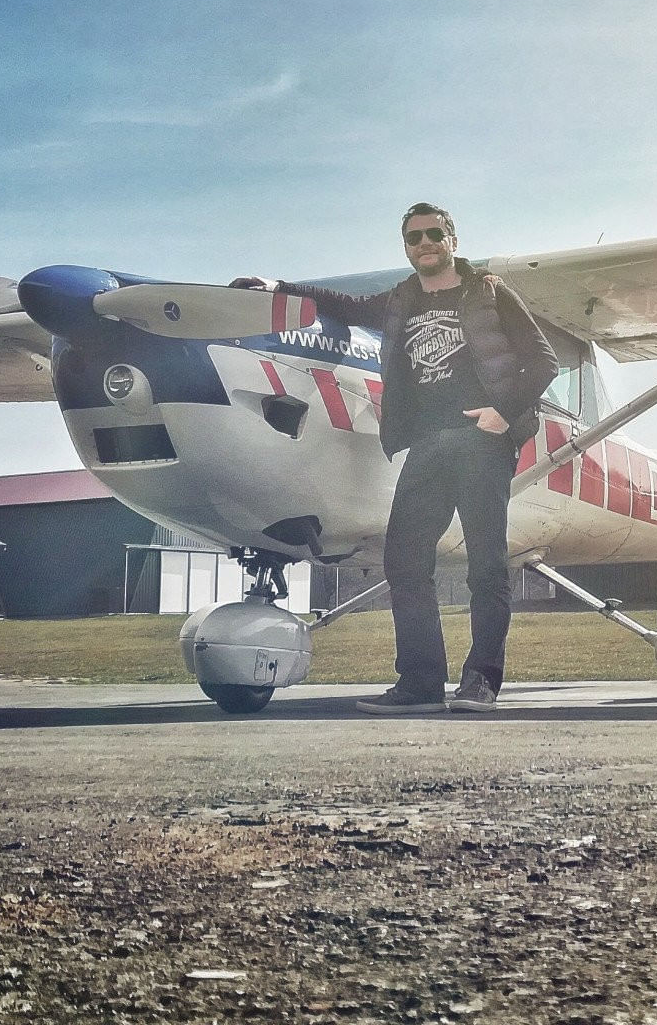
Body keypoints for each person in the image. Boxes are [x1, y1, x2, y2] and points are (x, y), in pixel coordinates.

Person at [237, 202, 557, 714]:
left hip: (481, 442)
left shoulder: (490, 292)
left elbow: (544, 361)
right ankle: (420, 684)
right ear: (406, 248)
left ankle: (481, 681)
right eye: (414, 238)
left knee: (486, 566)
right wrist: (279, 287)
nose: (425, 244)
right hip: (427, 443)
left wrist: (503, 412)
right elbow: (342, 304)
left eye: (434, 234)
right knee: (405, 561)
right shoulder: (399, 302)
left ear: (452, 238)